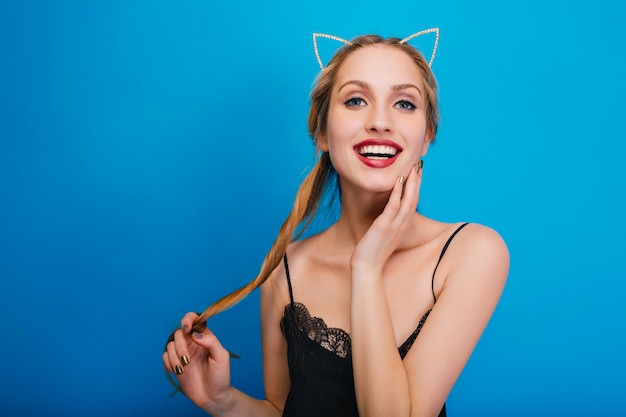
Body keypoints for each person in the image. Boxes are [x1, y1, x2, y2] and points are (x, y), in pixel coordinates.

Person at [162, 30, 509, 417]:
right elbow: (283, 410)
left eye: (405, 104)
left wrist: (367, 268)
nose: (380, 121)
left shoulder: (472, 253)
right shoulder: (286, 270)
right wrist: (221, 401)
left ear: (426, 136)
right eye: (356, 100)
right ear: (323, 131)